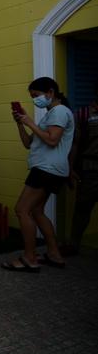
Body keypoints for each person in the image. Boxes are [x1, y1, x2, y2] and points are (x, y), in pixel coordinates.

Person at [3, 77, 74, 272]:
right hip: (47, 170)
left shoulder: (59, 112)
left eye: (36, 95)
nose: (35, 100)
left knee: (22, 210)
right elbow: (28, 143)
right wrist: (20, 123)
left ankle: (29, 258)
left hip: (46, 170)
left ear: (50, 92)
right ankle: (54, 254)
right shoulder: (50, 115)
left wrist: (31, 122)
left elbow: (52, 140)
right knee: (36, 211)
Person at [67, 80, 98, 256]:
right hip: (90, 169)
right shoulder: (84, 113)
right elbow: (75, 144)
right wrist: (70, 169)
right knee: (82, 209)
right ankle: (74, 244)